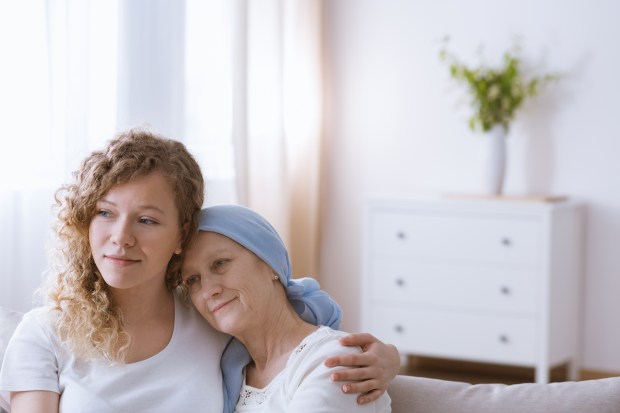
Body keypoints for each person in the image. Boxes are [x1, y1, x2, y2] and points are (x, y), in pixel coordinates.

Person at [0, 129, 399, 413]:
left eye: (147, 220)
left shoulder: (211, 318)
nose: (120, 238)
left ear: (181, 235)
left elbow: (295, 329)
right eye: (105, 213)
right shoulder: (43, 334)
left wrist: (386, 358)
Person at [181, 204, 392, 412]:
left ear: (270, 263)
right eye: (192, 280)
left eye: (219, 263)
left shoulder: (334, 362)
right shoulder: (229, 379)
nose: (208, 289)